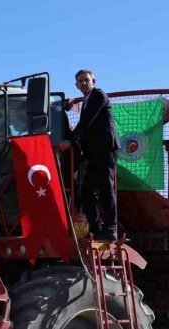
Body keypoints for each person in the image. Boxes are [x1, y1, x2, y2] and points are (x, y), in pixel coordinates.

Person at [57, 69, 120, 241]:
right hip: (93, 153)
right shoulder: (86, 100)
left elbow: (86, 121)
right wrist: (64, 107)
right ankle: (97, 227)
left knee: (106, 187)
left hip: (105, 149)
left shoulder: (98, 96)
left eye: (86, 80)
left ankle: (111, 228)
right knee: (86, 191)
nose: (84, 83)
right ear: (76, 85)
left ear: (94, 81)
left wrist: (70, 140)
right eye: (80, 81)